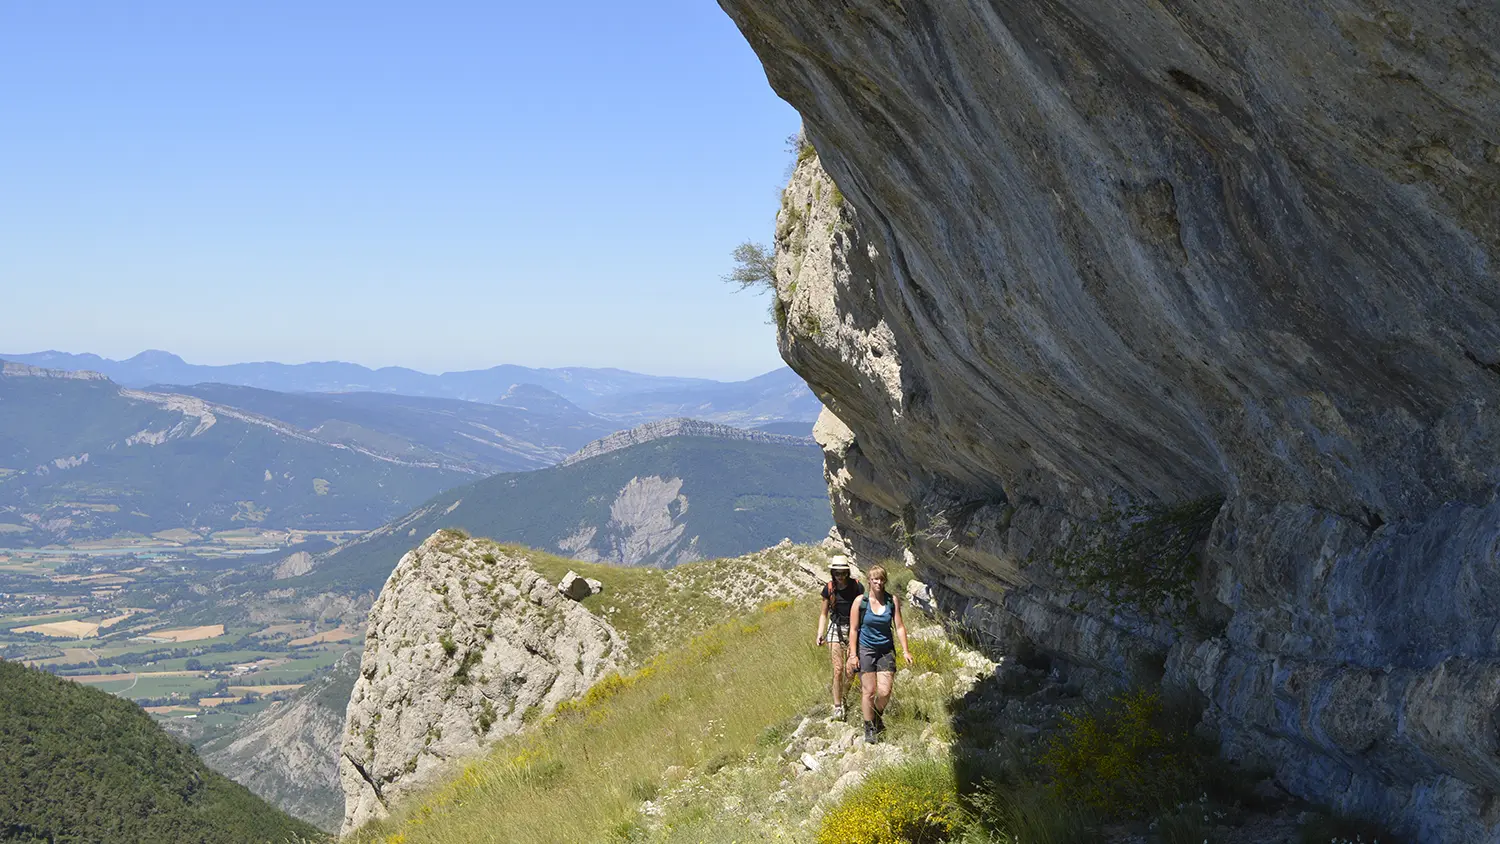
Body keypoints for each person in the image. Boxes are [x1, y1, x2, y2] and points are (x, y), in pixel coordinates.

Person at [845, 565, 912, 744]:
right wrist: (853, 655)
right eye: (875, 579)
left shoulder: (892, 601)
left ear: (885, 581)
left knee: (885, 691)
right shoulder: (860, 602)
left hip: (885, 650)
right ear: (869, 580)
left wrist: (905, 650)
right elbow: (853, 629)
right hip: (865, 649)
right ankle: (869, 727)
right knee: (869, 691)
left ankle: (875, 716)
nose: (878, 582)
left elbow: (899, 626)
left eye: (881, 579)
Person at [815, 556, 863, 720]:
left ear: (847, 572)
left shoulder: (857, 587)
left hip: (854, 629)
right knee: (837, 669)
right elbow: (823, 614)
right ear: (833, 572)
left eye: (842, 573)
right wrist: (820, 633)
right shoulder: (828, 589)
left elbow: (863, 610)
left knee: (851, 670)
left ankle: (844, 696)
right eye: (837, 573)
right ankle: (837, 706)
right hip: (835, 628)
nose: (840, 576)